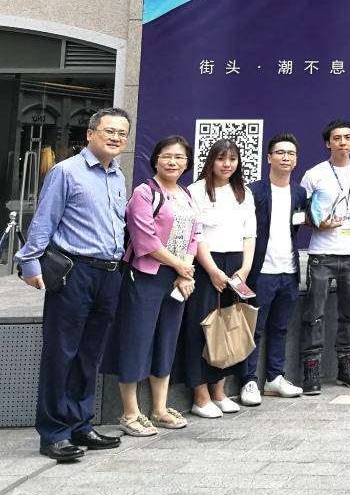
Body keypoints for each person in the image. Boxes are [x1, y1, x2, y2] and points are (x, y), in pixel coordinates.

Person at [17, 107, 130, 461]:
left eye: (122, 133)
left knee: (89, 355)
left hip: (109, 274)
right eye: (109, 131)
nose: (116, 138)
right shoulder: (66, 171)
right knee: (61, 353)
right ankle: (54, 433)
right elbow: (44, 220)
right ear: (91, 134)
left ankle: (81, 424)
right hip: (74, 273)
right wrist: (29, 262)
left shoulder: (118, 176)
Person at [103, 136, 199, 436]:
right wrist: (180, 266)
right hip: (145, 276)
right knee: (137, 340)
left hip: (177, 279)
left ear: (187, 163)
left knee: (166, 340)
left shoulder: (186, 194)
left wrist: (185, 273)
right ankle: (130, 413)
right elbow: (145, 239)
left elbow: (194, 236)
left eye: (179, 157)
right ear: (155, 159)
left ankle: (159, 409)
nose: (173, 162)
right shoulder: (144, 193)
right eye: (166, 156)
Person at [299, 119, 350, 392]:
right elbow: (302, 214)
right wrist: (317, 224)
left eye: (347, 137)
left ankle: (346, 368)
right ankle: (311, 371)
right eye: (336, 138)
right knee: (314, 314)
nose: (342, 142)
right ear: (328, 143)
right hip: (321, 255)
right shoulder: (314, 174)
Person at [179, 138, 256, 418]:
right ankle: (200, 397)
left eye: (232, 159)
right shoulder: (195, 191)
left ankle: (219, 391)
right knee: (200, 327)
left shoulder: (244, 192)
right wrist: (212, 270)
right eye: (221, 159)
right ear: (211, 161)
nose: (227, 164)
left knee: (228, 326)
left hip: (235, 266)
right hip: (204, 265)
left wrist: (244, 269)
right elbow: (195, 236)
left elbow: (250, 234)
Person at [242, 133, 307, 402]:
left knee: (280, 327)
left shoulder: (299, 192)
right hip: (262, 272)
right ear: (269, 158)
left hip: (288, 271)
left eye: (291, 153)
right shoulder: (253, 191)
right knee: (254, 329)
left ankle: (274, 378)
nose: (285, 158)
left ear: (296, 160)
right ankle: (248, 381)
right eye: (280, 152)